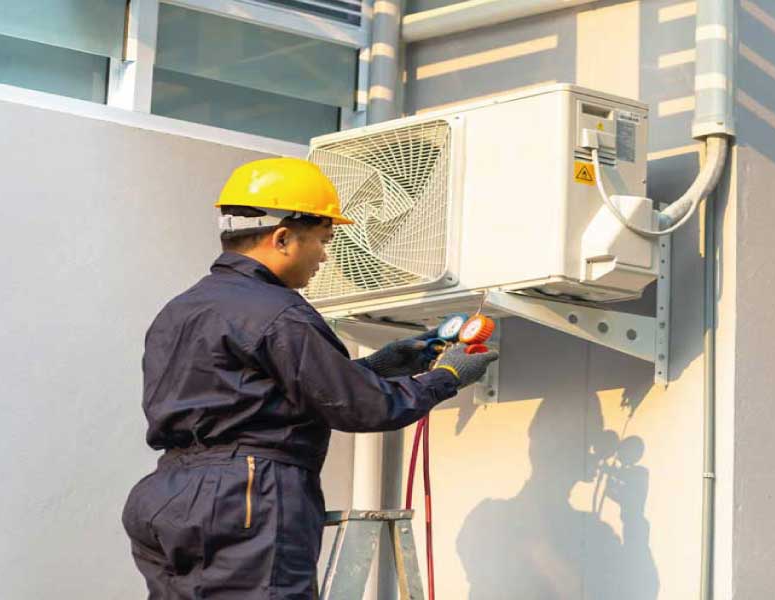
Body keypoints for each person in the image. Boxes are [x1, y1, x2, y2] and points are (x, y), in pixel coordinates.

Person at [121, 157, 497, 599]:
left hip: (167, 495)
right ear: (282, 237)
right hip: (246, 493)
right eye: (323, 240)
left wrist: (379, 365)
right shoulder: (280, 312)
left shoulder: (180, 310)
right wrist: (447, 376)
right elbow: (366, 408)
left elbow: (253, 394)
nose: (324, 255)